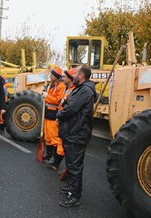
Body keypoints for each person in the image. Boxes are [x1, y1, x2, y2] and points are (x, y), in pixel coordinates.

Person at [56, 65, 96, 207]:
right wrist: (67, 101)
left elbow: (71, 110)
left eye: (75, 73)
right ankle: (71, 187)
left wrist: (59, 114)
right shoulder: (80, 89)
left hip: (76, 133)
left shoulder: (84, 90)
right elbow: (73, 105)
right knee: (71, 163)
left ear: (81, 76)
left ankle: (75, 196)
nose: (72, 75)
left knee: (75, 166)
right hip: (72, 132)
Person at [48, 68, 76, 170]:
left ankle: (60, 165)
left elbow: (68, 106)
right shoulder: (68, 88)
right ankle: (56, 163)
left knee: (63, 144)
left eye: (64, 77)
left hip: (66, 120)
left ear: (70, 78)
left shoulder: (72, 90)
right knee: (60, 142)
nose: (62, 78)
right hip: (61, 117)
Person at [42, 67, 65, 163]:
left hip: (54, 114)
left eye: (52, 75)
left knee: (54, 136)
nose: (50, 76)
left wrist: (47, 96)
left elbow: (57, 100)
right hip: (47, 113)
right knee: (47, 136)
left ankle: (55, 159)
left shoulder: (61, 86)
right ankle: (48, 154)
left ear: (56, 76)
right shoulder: (51, 84)